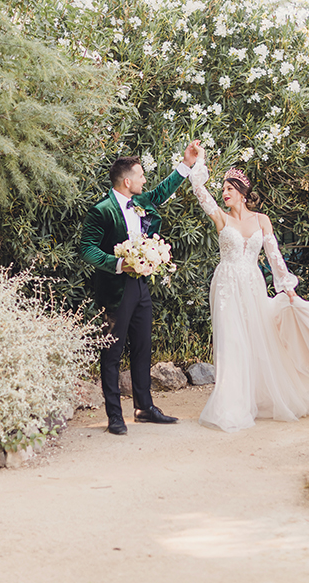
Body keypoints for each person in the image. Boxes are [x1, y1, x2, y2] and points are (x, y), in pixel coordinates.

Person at [188, 153, 309, 433]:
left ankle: (258, 397)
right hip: (226, 285)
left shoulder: (262, 220)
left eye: (229, 189)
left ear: (243, 194)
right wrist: (197, 164)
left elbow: (274, 257)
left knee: (257, 338)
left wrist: (287, 288)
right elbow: (200, 192)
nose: (224, 193)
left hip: (253, 284)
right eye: (223, 189)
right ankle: (231, 404)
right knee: (231, 340)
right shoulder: (221, 218)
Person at [80, 143, 200, 435]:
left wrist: (186, 164)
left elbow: (161, 192)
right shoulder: (102, 210)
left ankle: (144, 408)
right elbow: (87, 249)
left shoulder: (140, 201)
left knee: (143, 348)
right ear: (127, 181)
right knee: (112, 352)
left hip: (141, 286)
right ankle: (114, 416)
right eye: (141, 176)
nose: (145, 180)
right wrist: (119, 264)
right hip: (116, 289)